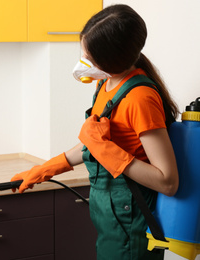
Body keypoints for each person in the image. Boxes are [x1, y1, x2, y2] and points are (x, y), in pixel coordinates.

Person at [11, 4, 179, 260]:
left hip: (129, 221)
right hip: (108, 216)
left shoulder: (140, 99)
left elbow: (167, 182)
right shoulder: (106, 84)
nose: (84, 61)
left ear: (111, 59)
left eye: (89, 56)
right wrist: (46, 169)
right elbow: (95, 143)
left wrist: (104, 149)